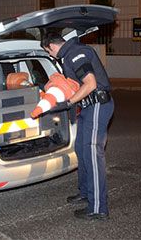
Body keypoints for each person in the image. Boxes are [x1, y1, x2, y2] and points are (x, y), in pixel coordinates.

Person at [40, 31, 114, 221]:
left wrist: (69, 103)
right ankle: (86, 193)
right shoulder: (69, 54)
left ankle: (98, 207)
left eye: (48, 52)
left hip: (98, 104)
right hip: (87, 107)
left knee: (92, 152)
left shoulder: (75, 53)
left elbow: (90, 84)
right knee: (81, 149)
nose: (50, 55)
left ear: (52, 46)